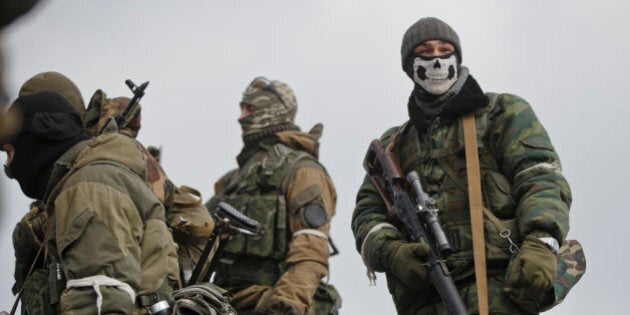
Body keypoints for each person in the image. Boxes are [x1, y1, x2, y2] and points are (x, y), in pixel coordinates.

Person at [352, 17, 571, 314]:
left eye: (445, 49)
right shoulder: (395, 144)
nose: (437, 59)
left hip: (498, 287)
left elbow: (541, 178)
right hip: (427, 296)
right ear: (409, 64)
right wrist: (391, 252)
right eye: (425, 51)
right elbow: (367, 214)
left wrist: (541, 243)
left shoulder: (501, 113)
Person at [0, 91, 178, 314]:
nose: (9, 167)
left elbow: (103, 303)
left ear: (39, 136)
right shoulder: (94, 180)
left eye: (9, 152)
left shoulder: (88, 187)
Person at [205, 76, 341, 315]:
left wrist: (286, 305)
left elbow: (310, 250)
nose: (241, 117)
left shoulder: (302, 171)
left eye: (250, 108)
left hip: (268, 303)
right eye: (242, 108)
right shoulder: (232, 181)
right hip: (220, 302)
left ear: (273, 112)